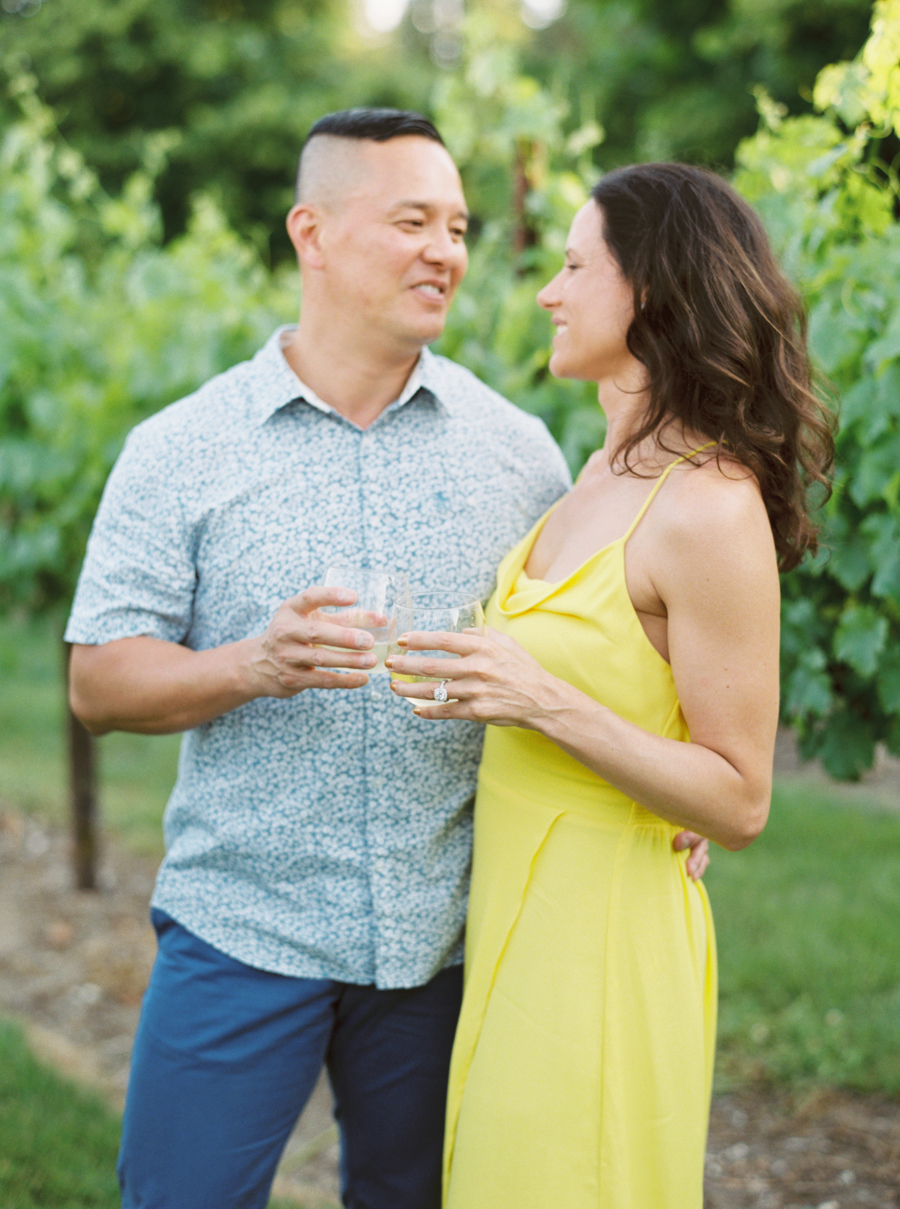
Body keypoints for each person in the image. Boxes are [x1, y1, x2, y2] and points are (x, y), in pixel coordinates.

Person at [66, 114, 708, 1209]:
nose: (446, 251)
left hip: (442, 941)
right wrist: (250, 664)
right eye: (412, 220)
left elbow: (594, 641)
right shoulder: (181, 448)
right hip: (242, 927)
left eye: (457, 226)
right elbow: (96, 683)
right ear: (311, 232)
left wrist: (676, 780)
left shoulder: (519, 450)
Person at [388, 163, 835, 1208]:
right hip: (514, 915)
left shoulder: (707, 505)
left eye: (575, 265)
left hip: (600, 945)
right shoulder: (591, 473)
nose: (548, 291)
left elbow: (740, 796)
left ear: (652, 293)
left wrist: (538, 698)